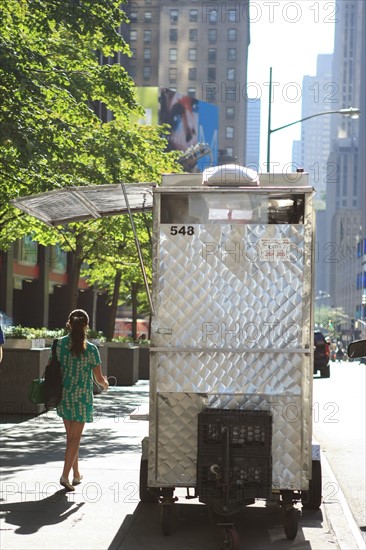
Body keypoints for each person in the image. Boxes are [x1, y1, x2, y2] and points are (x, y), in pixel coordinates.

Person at [54, 309, 108, 491]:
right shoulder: (91, 350)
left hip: (64, 395)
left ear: (68, 323)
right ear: (86, 325)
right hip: (82, 398)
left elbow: (50, 368)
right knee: (75, 439)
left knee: (71, 438)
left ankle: (76, 474)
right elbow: (99, 379)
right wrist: (105, 384)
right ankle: (65, 476)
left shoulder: (58, 345)